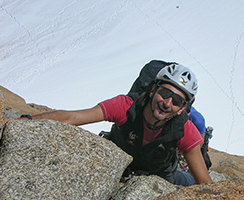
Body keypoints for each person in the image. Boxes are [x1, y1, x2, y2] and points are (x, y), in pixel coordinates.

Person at [20, 61, 213, 186]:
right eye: (164, 93)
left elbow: (203, 182)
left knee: (187, 182)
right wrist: (28, 122)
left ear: (182, 109)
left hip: (161, 177)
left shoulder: (184, 130)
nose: (167, 103)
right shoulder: (126, 107)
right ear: (153, 89)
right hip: (122, 168)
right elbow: (72, 118)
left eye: (177, 101)